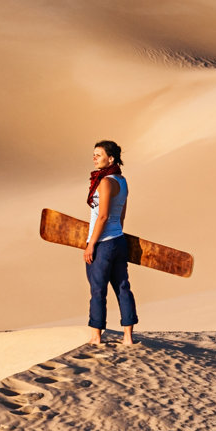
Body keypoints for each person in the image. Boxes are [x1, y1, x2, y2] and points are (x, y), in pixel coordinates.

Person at [83, 140, 139, 347]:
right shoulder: (122, 181)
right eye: (94, 154)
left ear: (111, 158)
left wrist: (91, 244)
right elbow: (121, 215)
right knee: (123, 287)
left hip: (103, 244)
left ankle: (96, 336)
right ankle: (128, 337)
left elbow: (103, 216)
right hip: (118, 240)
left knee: (98, 290)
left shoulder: (106, 182)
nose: (94, 158)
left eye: (99, 154)